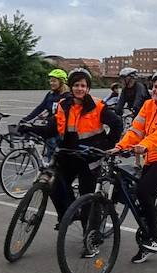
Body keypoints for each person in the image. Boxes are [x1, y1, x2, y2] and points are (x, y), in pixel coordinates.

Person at [108, 69, 157, 264]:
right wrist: (120, 147)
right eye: (155, 86)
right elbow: (135, 130)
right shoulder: (148, 106)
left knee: (143, 190)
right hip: (152, 159)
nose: (156, 90)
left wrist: (144, 145)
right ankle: (146, 239)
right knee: (138, 194)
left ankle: (155, 239)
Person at [51, 69, 124, 230]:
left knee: (88, 197)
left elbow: (117, 124)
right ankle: (68, 215)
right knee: (55, 186)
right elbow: (55, 126)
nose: (80, 88)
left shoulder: (97, 106)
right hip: (69, 155)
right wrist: (30, 129)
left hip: (90, 158)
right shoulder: (64, 105)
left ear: (88, 88)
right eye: (76, 85)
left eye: (83, 85)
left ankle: (91, 237)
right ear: (70, 87)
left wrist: (106, 146)